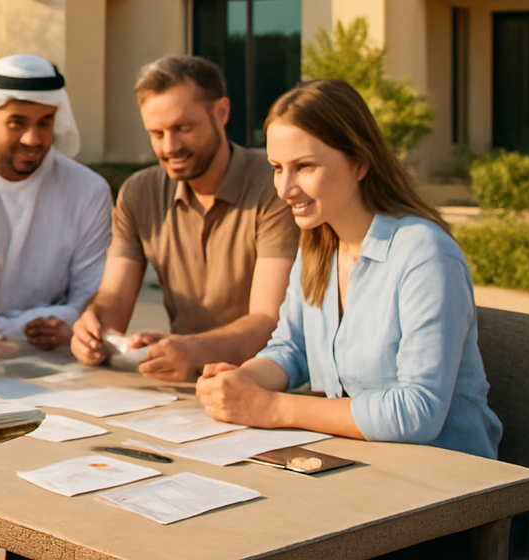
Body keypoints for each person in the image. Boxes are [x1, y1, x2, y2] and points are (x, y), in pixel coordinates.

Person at [196, 79, 502, 458]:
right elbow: (292, 349)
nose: (284, 189)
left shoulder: (425, 254)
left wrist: (272, 408)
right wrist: (242, 381)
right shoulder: (318, 245)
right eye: (277, 168)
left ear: (359, 162)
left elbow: (417, 412)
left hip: (449, 476)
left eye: (304, 167)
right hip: (362, 460)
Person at [71, 56, 297, 381]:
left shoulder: (274, 184)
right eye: (157, 133)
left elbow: (268, 322)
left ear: (222, 112)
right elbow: (114, 299)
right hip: (181, 382)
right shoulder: (139, 192)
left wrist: (192, 349)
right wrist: (93, 328)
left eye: (183, 128)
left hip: (265, 380)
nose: (170, 146)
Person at [0, 54, 112, 350]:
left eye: (45, 123)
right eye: (17, 123)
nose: (33, 139)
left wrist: (67, 323)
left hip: (55, 353)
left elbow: (89, 298)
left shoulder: (88, 190)